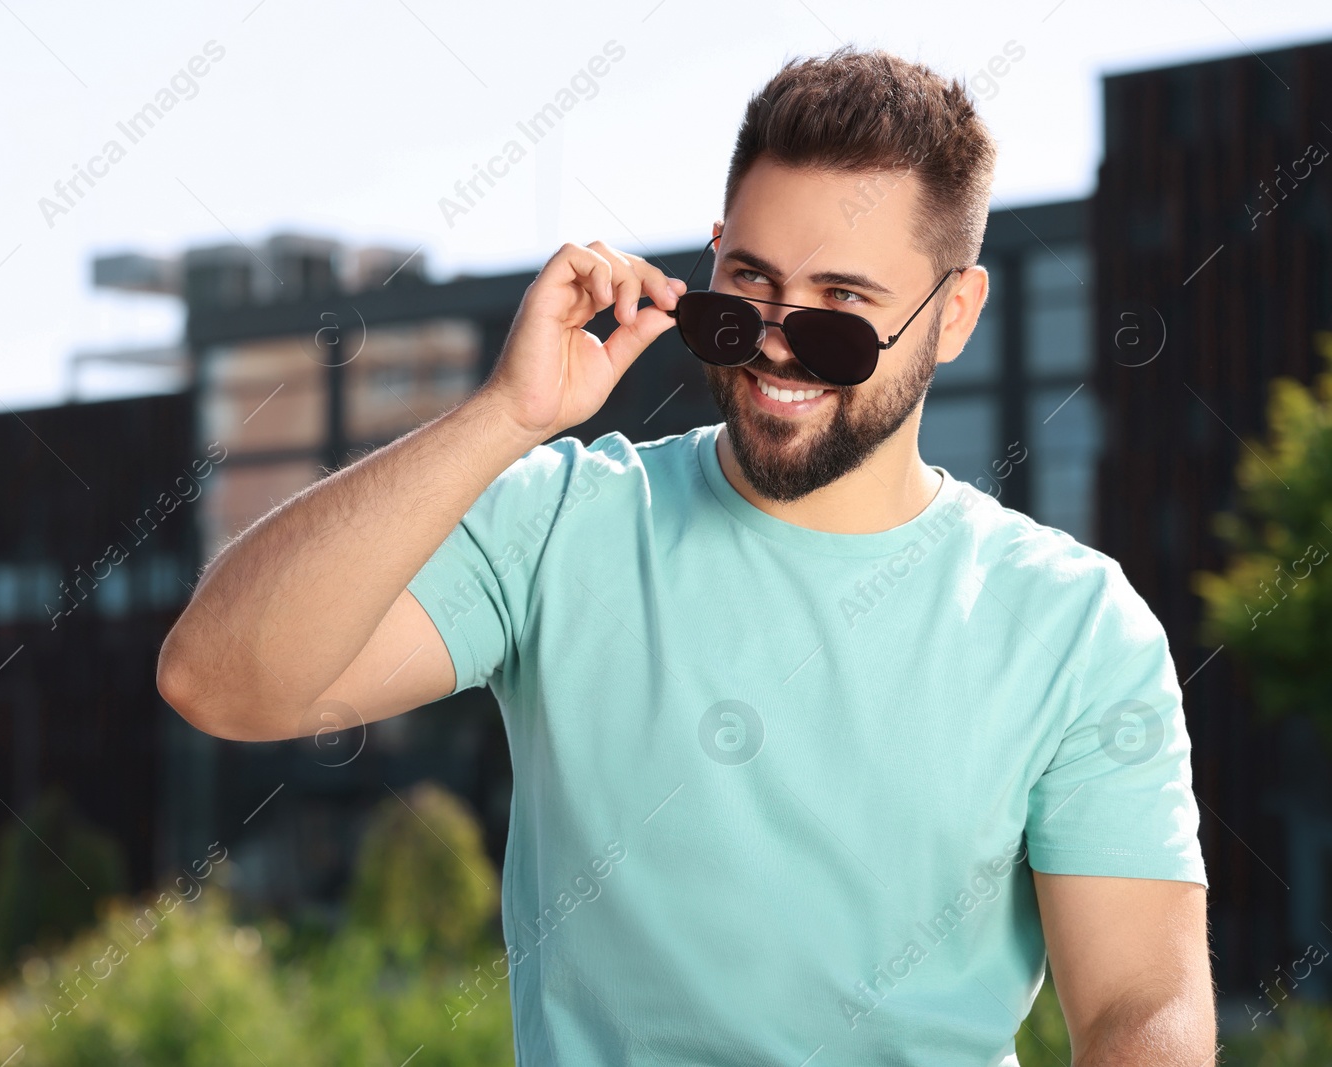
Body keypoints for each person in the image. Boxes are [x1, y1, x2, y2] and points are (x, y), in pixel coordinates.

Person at [157, 46, 1214, 1065]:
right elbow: (221, 680)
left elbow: (1139, 1002)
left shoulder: (1074, 627)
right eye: (742, 289)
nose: (775, 346)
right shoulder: (563, 520)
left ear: (954, 316)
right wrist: (503, 415)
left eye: (843, 310)